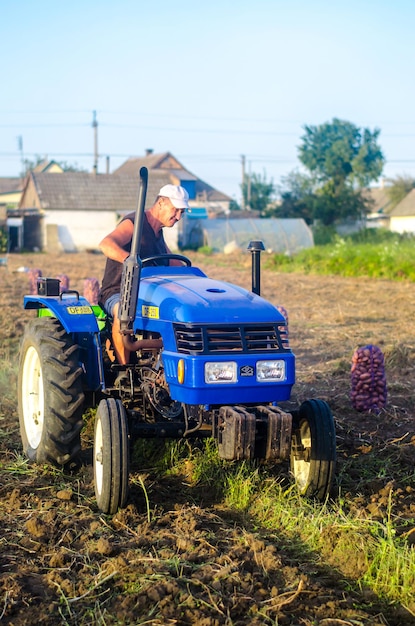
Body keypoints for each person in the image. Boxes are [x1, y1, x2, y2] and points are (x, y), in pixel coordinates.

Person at [99, 184, 190, 365]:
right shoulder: (134, 223)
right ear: (161, 203)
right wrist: (131, 262)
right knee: (122, 312)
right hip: (118, 292)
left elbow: (175, 263)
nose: (179, 216)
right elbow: (106, 244)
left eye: (182, 212)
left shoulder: (158, 235)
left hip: (148, 295)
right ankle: (124, 369)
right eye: (176, 210)